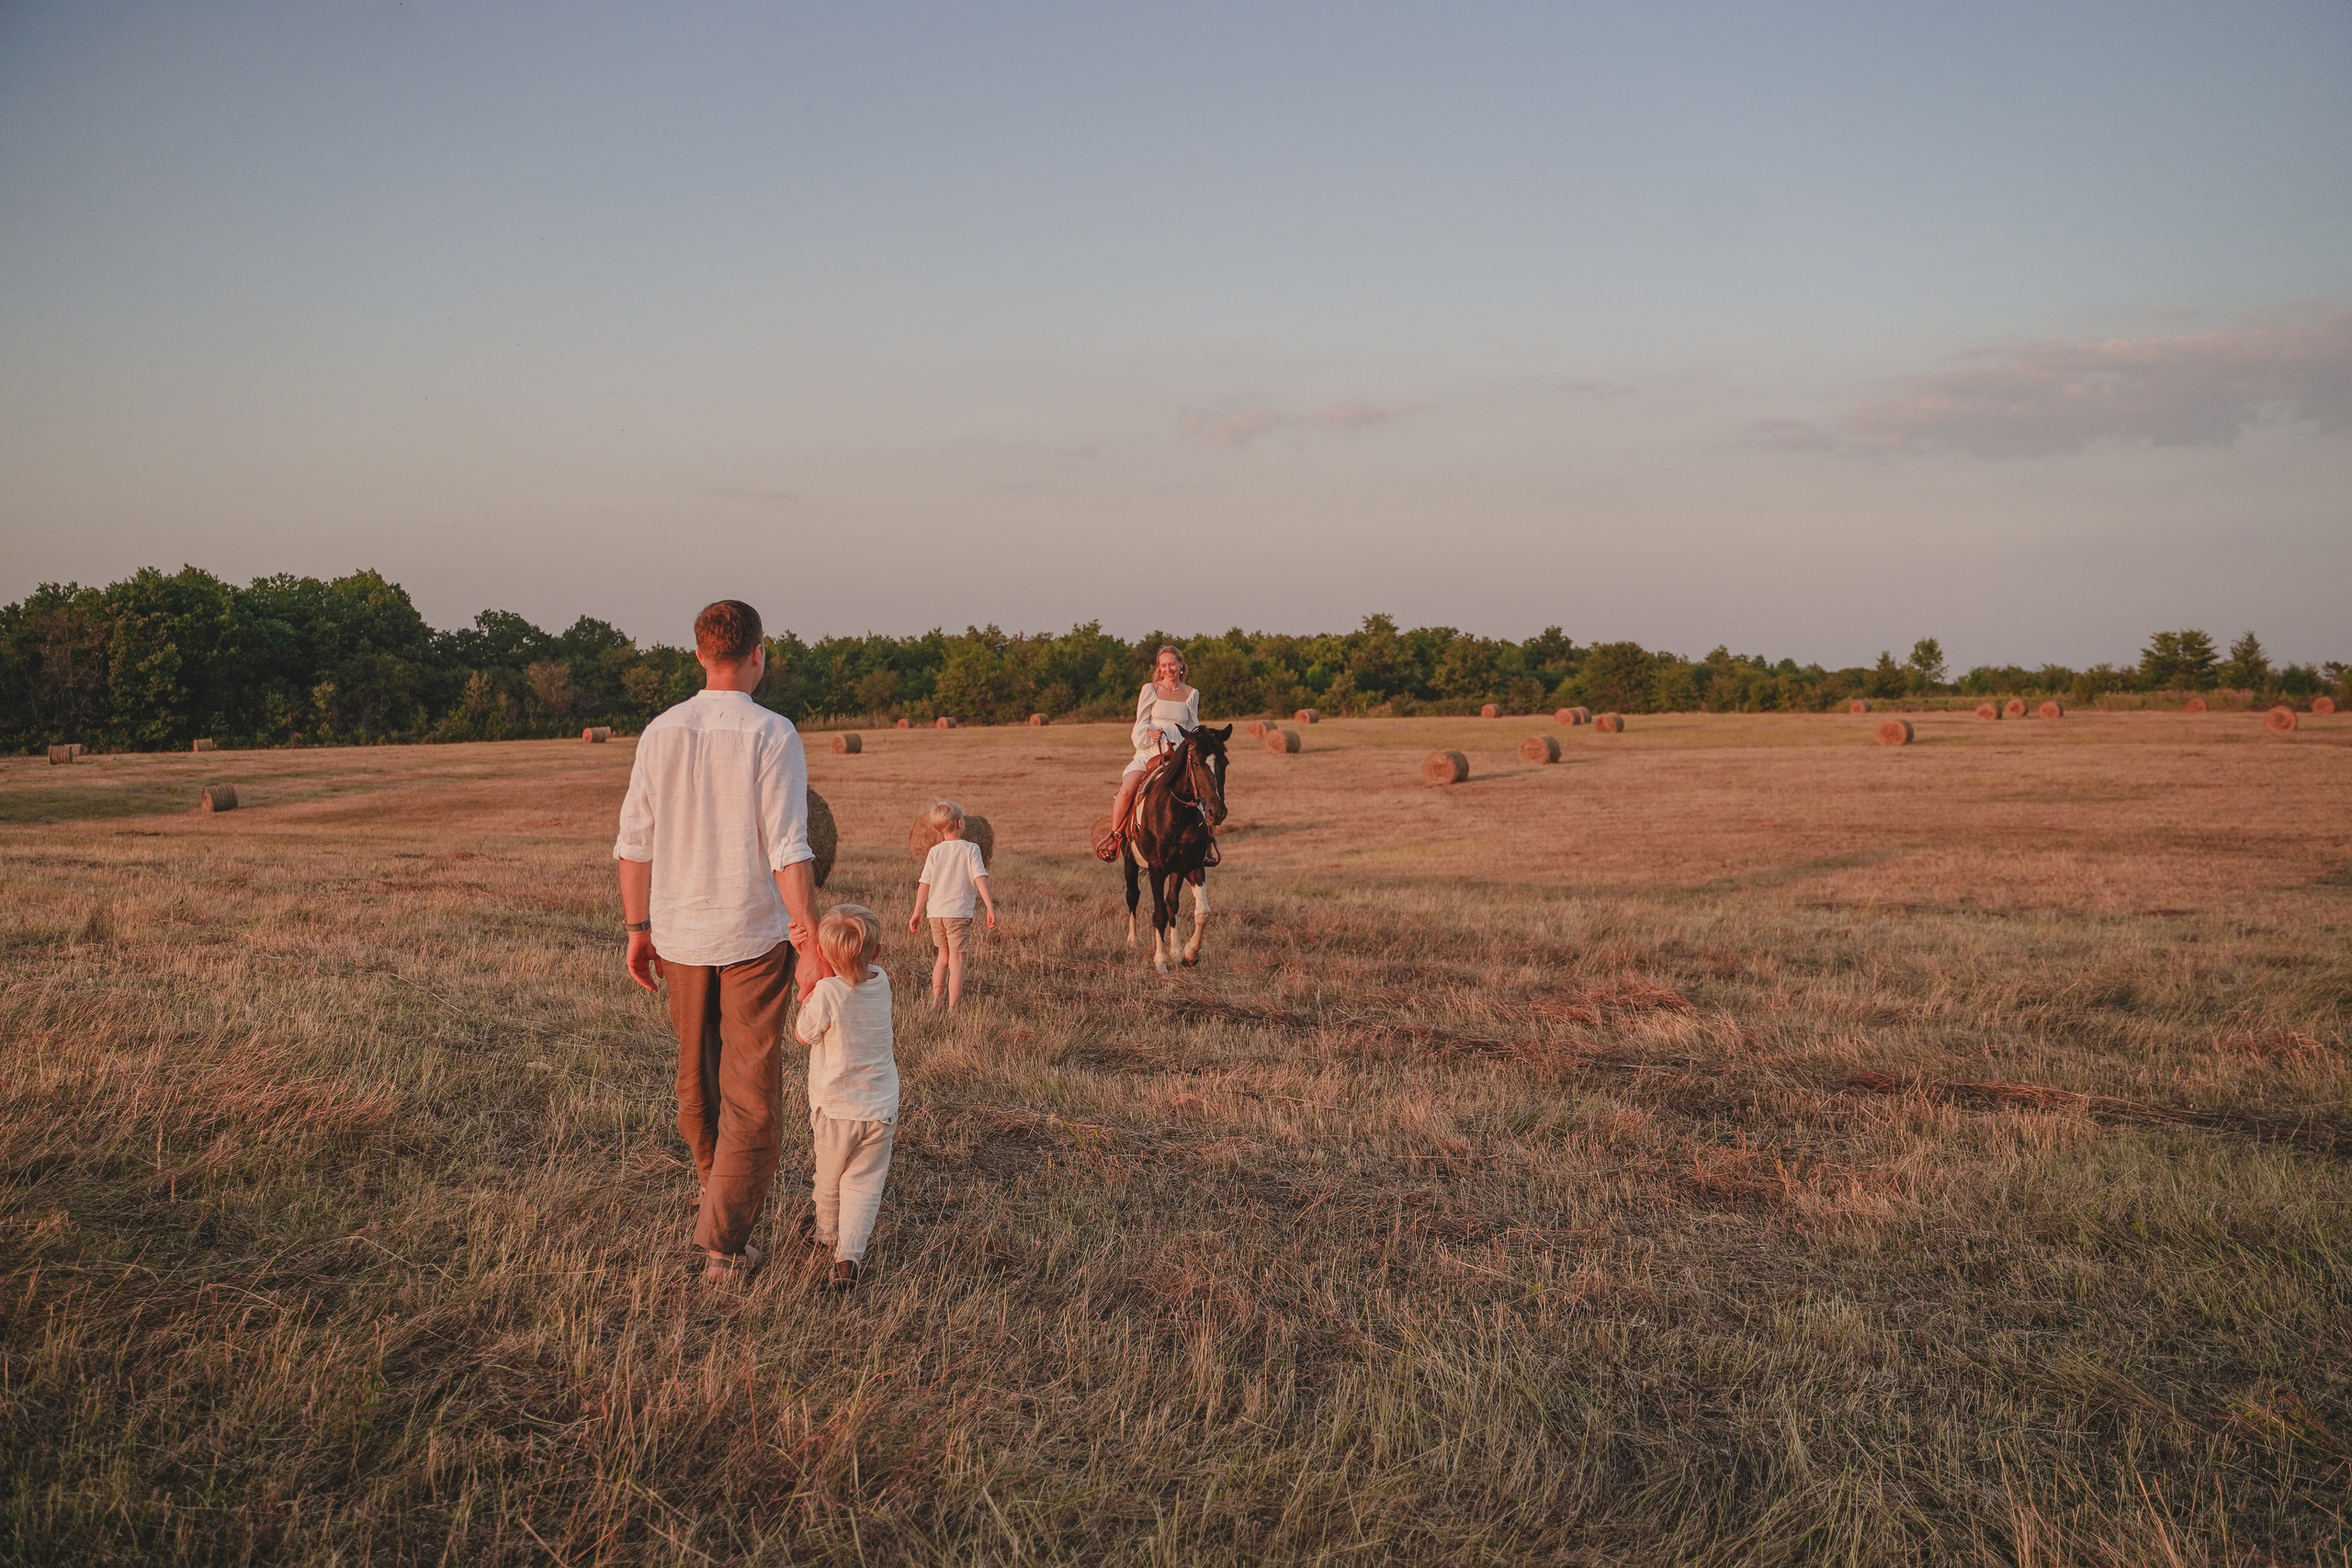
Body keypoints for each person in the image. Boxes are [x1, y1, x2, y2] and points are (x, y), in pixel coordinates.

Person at [615, 599, 828, 1286]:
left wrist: (638, 929)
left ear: (700, 654)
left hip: (678, 932)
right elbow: (789, 848)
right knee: (751, 1090)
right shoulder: (774, 732)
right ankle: (723, 1243)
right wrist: (812, 942)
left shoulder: (660, 731)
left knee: (696, 1079)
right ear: (758, 654)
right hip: (752, 933)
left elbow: (634, 844)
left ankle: (719, 1204)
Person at [792, 903, 897, 1291]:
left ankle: (825, 1235)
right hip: (881, 1106)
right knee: (865, 1184)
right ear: (877, 952)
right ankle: (847, 1259)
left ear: (821, 955)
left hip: (836, 1108)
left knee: (830, 1179)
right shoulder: (881, 979)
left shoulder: (826, 992)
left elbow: (804, 1035)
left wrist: (805, 988)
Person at [1093, 646, 1198, 861]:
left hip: (1177, 757)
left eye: (1172, 664)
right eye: (1163, 665)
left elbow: (1193, 727)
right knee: (1126, 791)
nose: (1168, 669)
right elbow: (1140, 723)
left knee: (1202, 793)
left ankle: (1204, 843)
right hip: (1149, 754)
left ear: (1181, 665)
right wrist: (1149, 733)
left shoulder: (1191, 693)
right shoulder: (1150, 689)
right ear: (1159, 668)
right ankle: (1115, 837)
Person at [907, 799, 996, 1010]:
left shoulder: (934, 851)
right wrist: (990, 907)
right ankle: (953, 1008)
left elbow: (924, 883)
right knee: (957, 961)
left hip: (936, 914)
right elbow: (980, 878)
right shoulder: (971, 848)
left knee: (942, 957)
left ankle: (936, 1000)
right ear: (959, 823)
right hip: (957, 914)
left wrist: (917, 911)